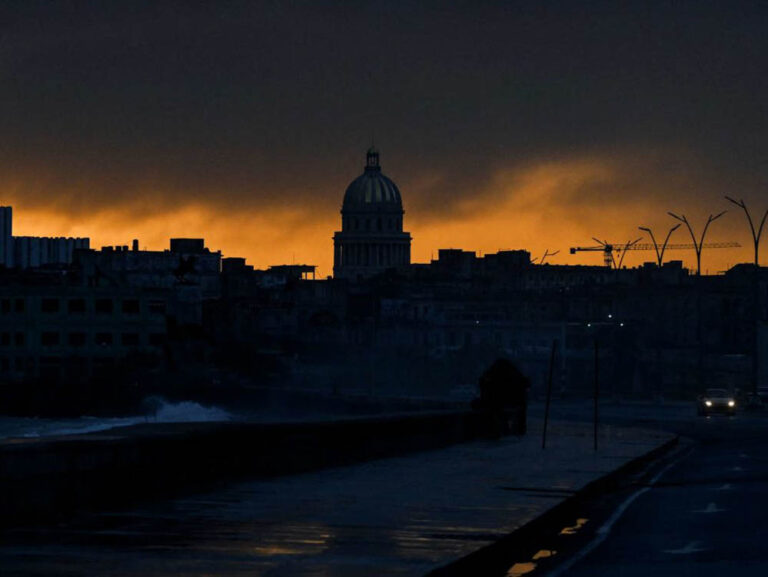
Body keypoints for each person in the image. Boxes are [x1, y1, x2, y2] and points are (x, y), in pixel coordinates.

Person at [472, 358, 530, 436]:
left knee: (494, 410)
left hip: (498, 403)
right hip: (506, 403)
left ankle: (499, 429)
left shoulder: (493, 377)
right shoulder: (514, 375)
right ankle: (513, 429)